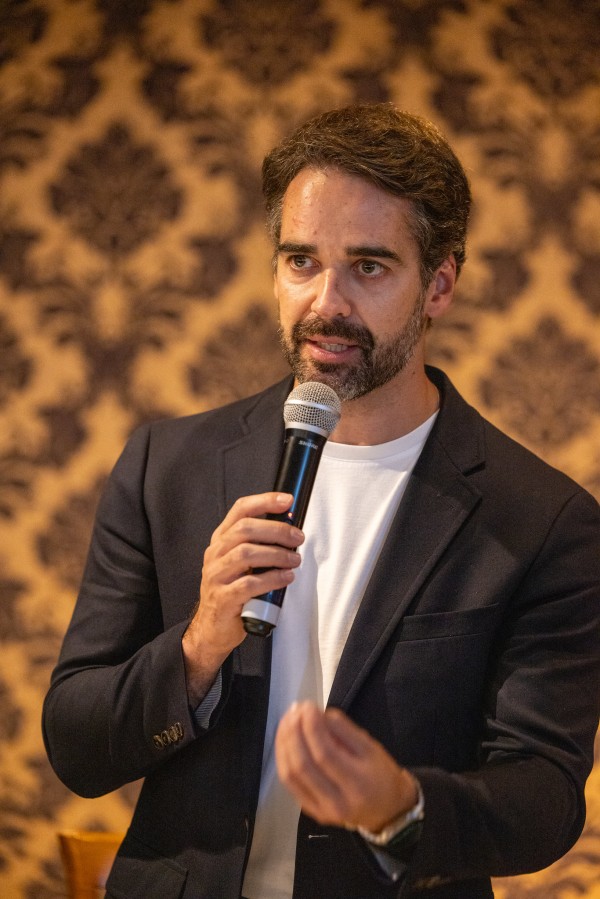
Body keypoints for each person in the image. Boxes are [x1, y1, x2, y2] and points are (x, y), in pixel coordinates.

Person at [43, 104, 600, 899]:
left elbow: (544, 798)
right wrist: (199, 646)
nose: (325, 302)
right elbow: (76, 743)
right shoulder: (164, 467)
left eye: (369, 266)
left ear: (439, 283)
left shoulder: (542, 521)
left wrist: (400, 806)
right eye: (301, 261)